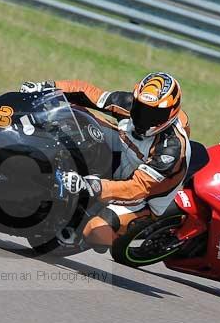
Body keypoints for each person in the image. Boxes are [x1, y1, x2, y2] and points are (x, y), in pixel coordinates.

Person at [20, 73, 191, 250]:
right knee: (72, 116)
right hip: (126, 150)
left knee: (96, 232)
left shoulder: (171, 149)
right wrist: (45, 87)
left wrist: (93, 186)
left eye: (154, 114)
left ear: (171, 114)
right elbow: (87, 93)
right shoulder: (130, 104)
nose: (145, 118)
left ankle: (82, 228)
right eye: (141, 109)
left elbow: (137, 188)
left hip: (146, 195)